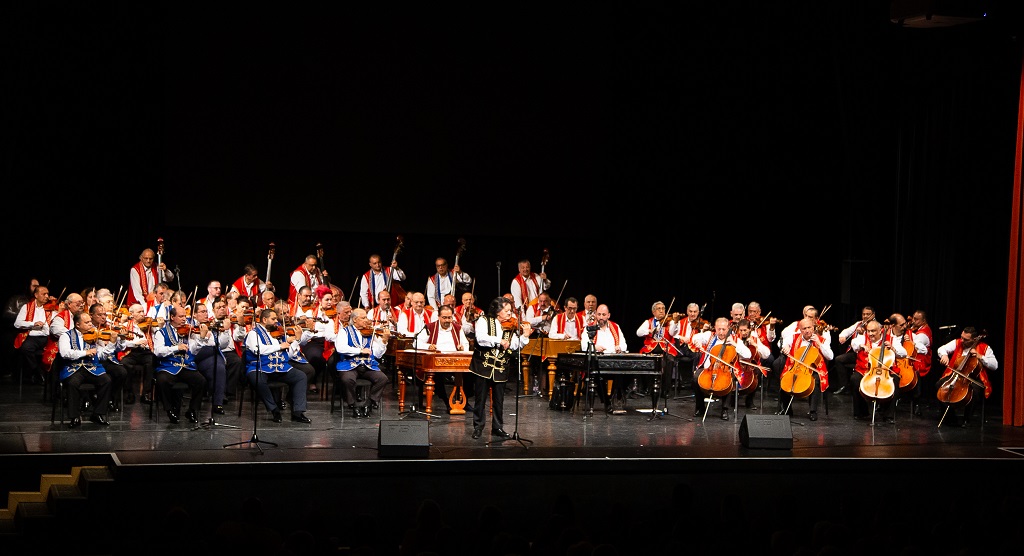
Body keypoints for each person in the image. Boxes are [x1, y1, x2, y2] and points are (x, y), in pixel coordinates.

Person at [469, 296, 532, 439]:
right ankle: (478, 427)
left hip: (501, 367)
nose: (510, 314)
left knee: (499, 400)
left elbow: (515, 345)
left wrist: (525, 337)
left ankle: (497, 427)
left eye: (511, 311)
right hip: (484, 366)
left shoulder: (511, 326)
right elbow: (481, 338)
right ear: (498, 311)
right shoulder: (484, 320)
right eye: (507, 311)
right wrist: (499, 340)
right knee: (480, 398)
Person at [243, 307, 311, 423]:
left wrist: (296, 341)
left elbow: (289, 355)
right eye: (273, 319)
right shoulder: (253, 334)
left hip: (279, 367)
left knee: (301, 376)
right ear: (264, 319)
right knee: (257, 380)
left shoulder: (279, 334)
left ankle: (297, 412)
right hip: (260, 367)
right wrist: (279, 347)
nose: (276, 321)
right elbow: (258, 350)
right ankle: (274, 409)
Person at [57, 312, 115, 428]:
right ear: (78, 324)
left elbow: (102, 355)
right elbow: (64, 353)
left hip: (91, 368)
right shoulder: (66, 336)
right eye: (87, 322)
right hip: (74, 368)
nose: (91, 324)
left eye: (90, 322)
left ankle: (97, 413)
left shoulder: (95, 335)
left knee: (106, 380)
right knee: (73, 383)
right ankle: (74, 417)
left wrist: (112, 343)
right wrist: (85, 352)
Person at [151, 306, 208, 424]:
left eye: (185, 317)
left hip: (185, 365)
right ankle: (169, 410)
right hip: (168, 366)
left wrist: (201, 339)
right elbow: (158, 351)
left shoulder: (188, 332)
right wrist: (176, 348)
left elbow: (193, 350)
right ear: (172, 317)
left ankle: (192, 410)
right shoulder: (161, 333)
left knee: (201, 381)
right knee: (162, 380)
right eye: (181, 316)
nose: (184, 319)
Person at [333, 308, 391, 418]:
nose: (367, 320)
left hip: (367, 365)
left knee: (383, 378)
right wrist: (359, 351)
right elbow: (340, 348)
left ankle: (368, 404)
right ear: (355, 319)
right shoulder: (344, 331)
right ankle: (354, 405)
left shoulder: (371, 333)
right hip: (349, 365)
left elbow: (378, 354)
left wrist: (384, 341)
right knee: (347, 379)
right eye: (363, 318)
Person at [689, 317, 751, 420]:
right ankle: (700, 407)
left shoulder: (735, 339)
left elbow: (748, 355)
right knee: (696, 378)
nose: (721, 332)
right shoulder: (710, 336)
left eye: (724, 329)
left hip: (726, 370)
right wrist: (697, 342)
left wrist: (735, 345)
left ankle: (725, 409)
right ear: (715, 328)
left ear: (728, 328)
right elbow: (695, 337)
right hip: (708, 368)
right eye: (719, 329)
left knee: (729, 380)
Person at [847, 318, 907, 421]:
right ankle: (861, 412)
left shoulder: (891, 339)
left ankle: (888, 415)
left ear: (880, 331)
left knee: (895, 380)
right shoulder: (863, 338)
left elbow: (904, 353)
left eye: (873, 331)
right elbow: (854, 343)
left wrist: (893, 348)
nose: (870, 334)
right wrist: (861, 345)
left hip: (885, 372)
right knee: (854, 379)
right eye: (868, 331)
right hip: (866, 371)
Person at [414, 304, 470, 413]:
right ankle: (447, 402)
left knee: (470, 375)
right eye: (444, 317)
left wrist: (462, 348)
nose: (447, 320)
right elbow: (416, 342)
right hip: (437, 361)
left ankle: (464, 402)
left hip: (455, 360)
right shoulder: (430, 327)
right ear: (439, 317)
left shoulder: (457, 328)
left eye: (449, 317)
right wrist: (428, 346)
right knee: (437, 375)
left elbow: (466, 344)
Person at [935, 326, 995, 427]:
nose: (962, 340)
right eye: (961, 337)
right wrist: (944, 355)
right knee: (939, 385)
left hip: (974, 377)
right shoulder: (958, 342)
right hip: (957, 375)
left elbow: (995, 365)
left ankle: (967, 419)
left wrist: (980, 356)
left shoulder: (985, 348)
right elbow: (941, 348)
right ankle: (950, 417)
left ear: (974, 339)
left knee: (974, 392)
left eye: (966, 339)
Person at [777, 317, 834, 422]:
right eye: (804, 329)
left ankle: (813, 411)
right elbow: (781, 343)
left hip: (814, 369)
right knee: (785, 379)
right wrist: (785, 347)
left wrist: (819, 344)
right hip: (796, 366)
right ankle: (787, 409)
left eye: (809, 327)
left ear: (813, 327)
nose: (807, 330)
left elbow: (830, 356)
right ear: (800, 329)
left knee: (815, 380)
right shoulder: (794, 337)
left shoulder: (821, 339)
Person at [579, 304, 629, 414]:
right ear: (596, 315)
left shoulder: (616, 327)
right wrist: (594, 347)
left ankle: (614, 400)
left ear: (608, 315)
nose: (601, 317)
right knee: (597, 375)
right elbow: (583, 345)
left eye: (604, 315)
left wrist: (619, 347)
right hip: (597, 362)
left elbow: (624, 345)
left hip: (613, 362)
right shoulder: (589, 327)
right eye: (599, 314)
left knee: (624, 373)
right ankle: (607, 403)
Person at [636, 300, 680, 406]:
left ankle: (665, 390)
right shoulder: (649, 322)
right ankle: (648, 388)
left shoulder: (670, 322)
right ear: (653, 312)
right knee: (646, 361)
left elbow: (673, 333)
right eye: (658, 309)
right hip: (651, 347)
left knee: (669, 360)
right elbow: (638, 332)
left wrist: (676, 322)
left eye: (663, 309)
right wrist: (649, 331)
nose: (661, 311)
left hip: (666, 347)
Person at [887, 312, 930, 418]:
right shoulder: (885, 333)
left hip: (905, 365)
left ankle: (916, 403)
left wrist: (912, 343)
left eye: (905, 324)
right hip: (890, 364)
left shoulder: (911, 335)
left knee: (916, 375)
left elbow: (924, 350)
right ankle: (883, 402)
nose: (905, 326)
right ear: (893, 325)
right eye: (901, 325)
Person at [87, 302, 129, 412]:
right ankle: (93, 396)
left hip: (107, 359)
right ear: (91, 315)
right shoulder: (87, 329)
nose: (103, 317)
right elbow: (100, 356)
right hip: (93, 360)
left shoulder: (109, 327)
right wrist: (111, 344)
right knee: (107, 376)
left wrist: (122, 338)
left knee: (122, 372)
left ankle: (111, 399)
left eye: (105, 314)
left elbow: (120, 349)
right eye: (99, 315)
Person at [830, 306, 876, 394]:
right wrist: (843, 336)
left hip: (869, 355)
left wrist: (863, 334)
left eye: (868, 314)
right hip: (856, 353)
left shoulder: (877, 326)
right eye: (864, 314)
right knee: (838, 359)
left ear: (873, 315)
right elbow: (846, 331)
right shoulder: (859, 324)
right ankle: (843, 386)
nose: (865, 316)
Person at [14, 285, 53, 385]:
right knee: (25, 348)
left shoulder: (52, 308)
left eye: (48, 294)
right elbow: (17, 323)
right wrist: (32, 324)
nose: (47, 296)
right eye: (44, 294)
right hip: (32, 336)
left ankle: (50, 377)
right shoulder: (26, 307)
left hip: (47, 337)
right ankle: (37, 371)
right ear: (36, 295)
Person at [120, 302, 156, 404]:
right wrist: (136, 343)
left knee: (151, 362)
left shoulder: (148, 325)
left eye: (143, 311)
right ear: (131, 314)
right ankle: (129, 393)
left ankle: (146, 394)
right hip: (131, 352)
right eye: (139, 312)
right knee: (125, 363)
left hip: (146, 352)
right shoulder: (125, 326)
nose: (142, 314)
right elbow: (122, 343)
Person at [735, 318, 771, 410]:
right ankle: (732, 397)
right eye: (741, 330)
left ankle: (749, 401)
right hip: (737, 363)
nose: (743, 333)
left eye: (745, 330)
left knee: (757, 372)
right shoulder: (735, 338)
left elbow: (766, 354)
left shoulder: (754, 338)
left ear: (750, 329)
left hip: (749, 365)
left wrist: (755, 345)